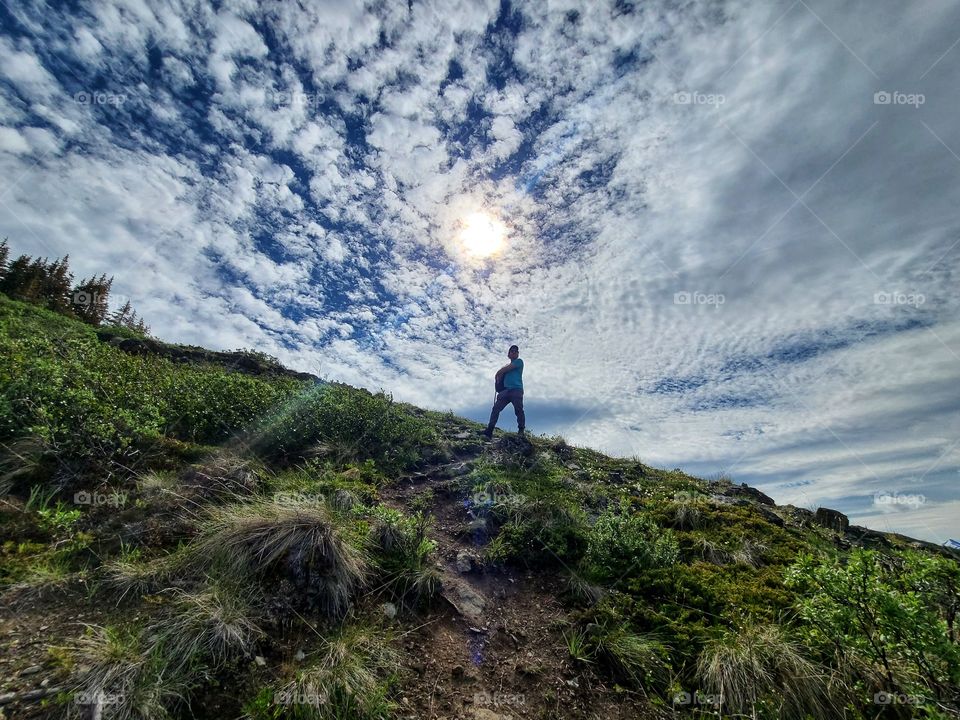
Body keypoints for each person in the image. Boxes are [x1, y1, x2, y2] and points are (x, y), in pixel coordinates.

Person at [482, 345, 524, 438]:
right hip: (506, 390)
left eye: (516, 351)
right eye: (512, 351)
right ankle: (489, 430)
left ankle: (521, 431)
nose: (514, 352)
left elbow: (504, 370)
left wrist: (498, 373)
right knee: (495, 409)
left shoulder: (519, 361)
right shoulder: (507, 366)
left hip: (516, 389)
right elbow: (502, 374)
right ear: (508, 354)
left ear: (518, 354)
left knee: (518, 410)